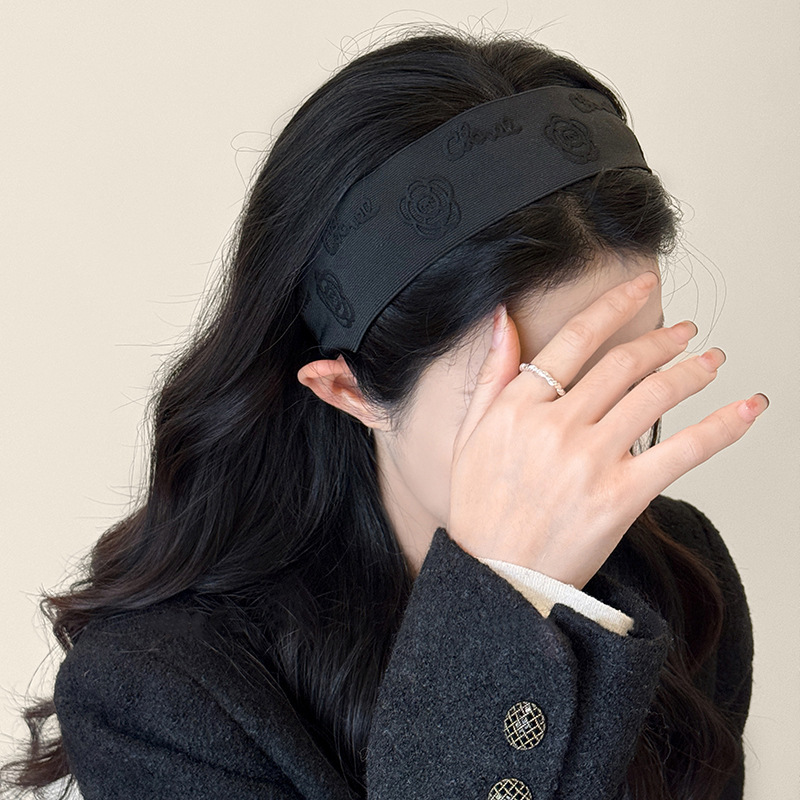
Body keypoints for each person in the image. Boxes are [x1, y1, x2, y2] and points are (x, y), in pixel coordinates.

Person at [1, 26, 766, 800]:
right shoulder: (160, 693)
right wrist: (505, 598)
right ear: (349, 390)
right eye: (546, 387)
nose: (600, 440)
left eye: (635, 370)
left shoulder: (679, 577)